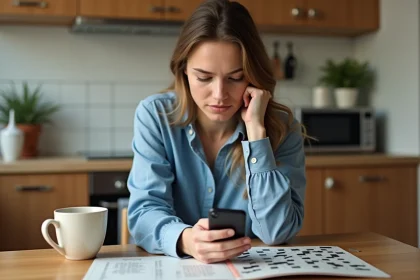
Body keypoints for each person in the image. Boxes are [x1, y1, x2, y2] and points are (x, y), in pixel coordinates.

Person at [127, 0, 306, 264]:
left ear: (252, 76)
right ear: (184, 70)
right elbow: (143, 214)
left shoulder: (281, 127)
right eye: (204, 77)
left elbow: (277, 232)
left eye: (235, 77)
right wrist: (186, 239)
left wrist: (257, 135)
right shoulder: (155, 116)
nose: (220, 95)